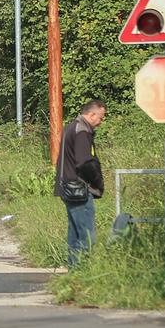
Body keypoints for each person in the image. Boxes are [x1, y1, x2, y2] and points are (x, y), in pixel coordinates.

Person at [55, 99, 106, 266]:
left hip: (68, 188)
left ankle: (74, 271)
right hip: (79, 190)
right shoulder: (82, 131)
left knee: (75, 234)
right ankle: (83, 271)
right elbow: (84, 162)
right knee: (86, 236)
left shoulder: (72, 127)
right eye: (100, 118)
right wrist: (97, 183)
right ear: (91, 114)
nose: (100, 122)